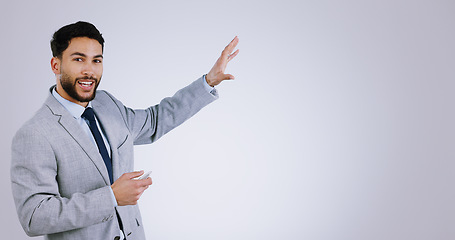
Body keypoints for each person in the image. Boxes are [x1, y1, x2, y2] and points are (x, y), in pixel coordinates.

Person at [10, 21, 239, 240]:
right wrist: (111, 197)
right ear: (56, 65)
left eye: (96, 61)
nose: (89, 71)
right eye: (79, 59)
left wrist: (208, 82)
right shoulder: (35, 134)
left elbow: (154, 121)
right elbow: (35, 216)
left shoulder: (106, 103)